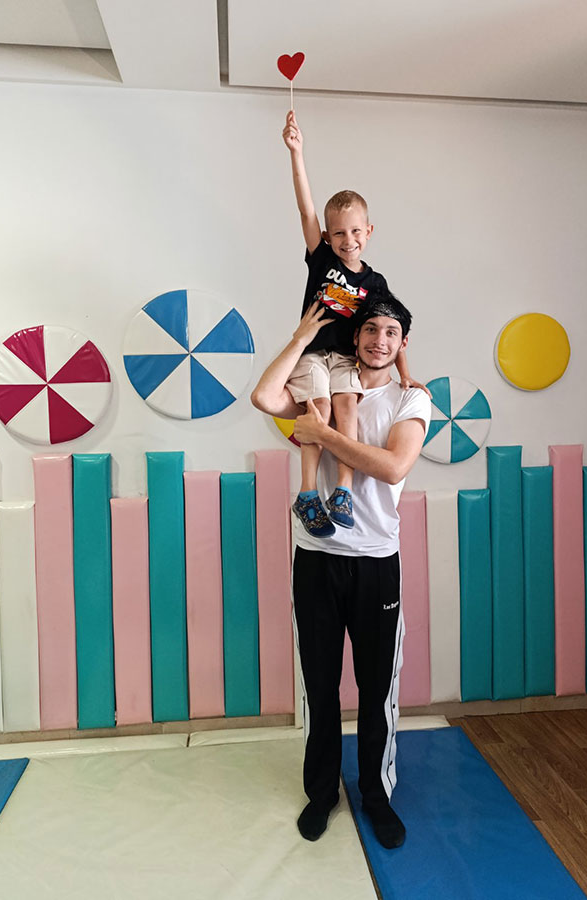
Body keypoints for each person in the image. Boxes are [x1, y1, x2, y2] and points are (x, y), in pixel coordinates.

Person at [251, 292, 431, 849]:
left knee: (377, 689)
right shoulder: (321, 387)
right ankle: (322, 792)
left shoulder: (411, 399)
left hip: (375, 561)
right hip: (316, 557)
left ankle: (376, 796)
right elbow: (264, 396)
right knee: (320, 685)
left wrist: (322, 434)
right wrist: (302, 337)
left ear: (402, 344)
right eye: (371, 329)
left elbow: (393, 466)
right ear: (355, 336)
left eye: (391, 333)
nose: (380, 340)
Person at [282, 110, 423, 539]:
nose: (349, 240)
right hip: (313, 354)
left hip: (345, 357)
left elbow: (394, 329)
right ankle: (308, 493)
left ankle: (342, 491)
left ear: (369, 231)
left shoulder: (374, 282)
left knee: (348, 410)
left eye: (356, 232)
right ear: (328, 236)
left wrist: (405, 375)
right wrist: (296, 153)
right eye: (339, 233)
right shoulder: (321, 258)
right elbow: (306, 209)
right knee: (319, 411)